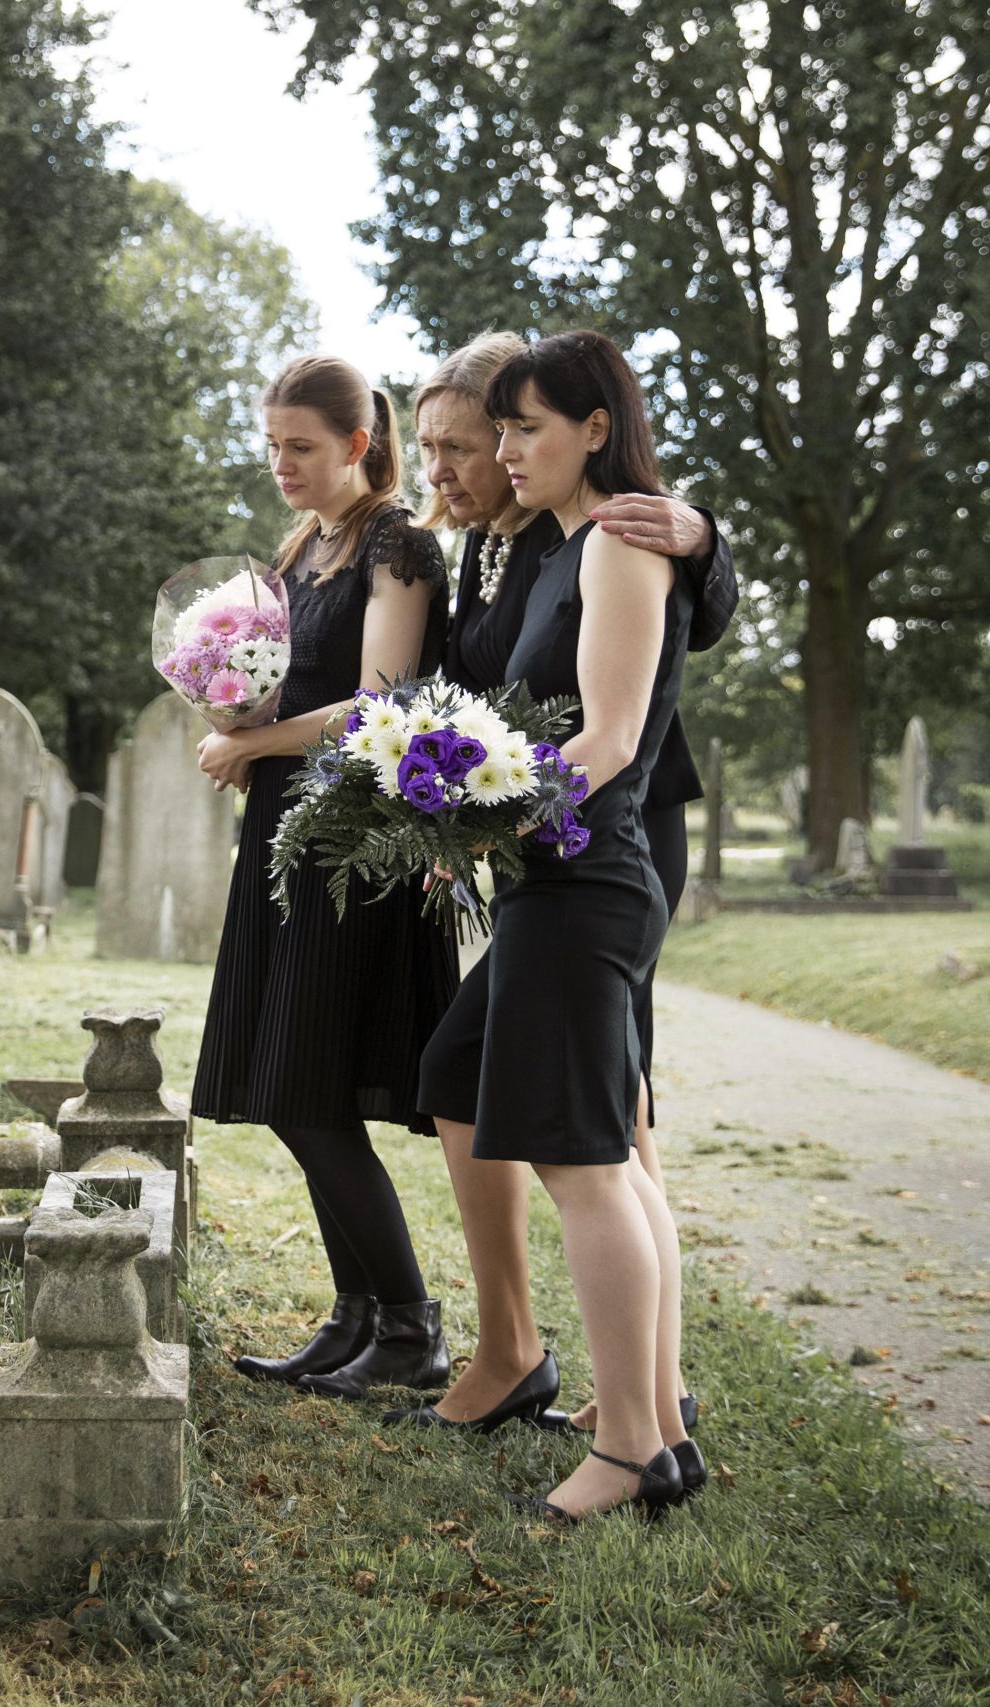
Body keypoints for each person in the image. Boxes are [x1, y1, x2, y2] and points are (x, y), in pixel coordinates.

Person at [400, 333, 734, 1449]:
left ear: (576, 431)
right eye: (441, 445)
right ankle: (537, 1356)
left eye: (475, 440)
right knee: (471, 1077)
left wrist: (700, 533)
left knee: (606, 1129)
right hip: (538, 844)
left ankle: (646, 1411)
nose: (453, 465)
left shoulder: (606, 534)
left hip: (607, 838)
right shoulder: (493, 552)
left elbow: (616, 716)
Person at [195, 354, 460, 1401]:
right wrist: (231, 710)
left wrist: (254, 745)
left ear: (357, 444)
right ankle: (357, 1319)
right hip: (283, 834)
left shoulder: (399, 544)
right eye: (272, 446)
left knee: (308, 1090)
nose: (282, 464)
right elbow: (285, 680)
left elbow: (379, 703)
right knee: (295, 1089)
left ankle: (410, 1326)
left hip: (351, 845)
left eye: (300, 447)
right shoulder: (302, 545)